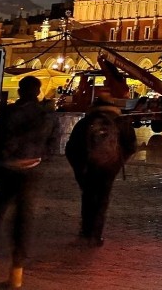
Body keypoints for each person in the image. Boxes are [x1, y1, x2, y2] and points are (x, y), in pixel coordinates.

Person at [0, 76, 58, 289]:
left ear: (20, 91)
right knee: (23, 222)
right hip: (31, 172)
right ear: (37, 92)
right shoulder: (47, 115)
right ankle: (16, 274)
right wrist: (39, 160)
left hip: (6, 170)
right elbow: (53, 146)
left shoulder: (9, 112)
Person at [65, 96, 137, 247]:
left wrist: (79, 167)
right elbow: (131, 146)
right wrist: (117, 162)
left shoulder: (85, 123)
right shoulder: (121, 122)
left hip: (88, 167)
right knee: (102, 199)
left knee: (88, 197)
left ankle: (86, 231)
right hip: (109, 168)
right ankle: (96, 235)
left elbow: (71, 148)